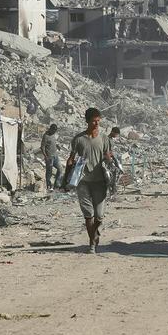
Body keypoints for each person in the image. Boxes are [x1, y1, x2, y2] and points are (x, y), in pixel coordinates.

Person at [66, 107, 113, 253]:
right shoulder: (79, 139)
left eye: (98, 121)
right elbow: (70, 159)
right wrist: (66, 179)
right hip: (83, 182)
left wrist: (109, 160)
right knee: (88, 215)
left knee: (99, 216)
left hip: (100, 182)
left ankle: (95, 233)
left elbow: (109, 156)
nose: (97, 123)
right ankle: (92, 243)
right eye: (94, 121)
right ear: (87, 121)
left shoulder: (104, 139)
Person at [40, 124, 61, 192]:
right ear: (50, 129)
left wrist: (57, 146)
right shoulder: (46, 136)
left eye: (55, 131)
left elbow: (53, 142)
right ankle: (49, 185)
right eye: (53, 130)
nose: (54, 132)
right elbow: (42, 147)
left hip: (55, 156)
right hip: (49, 157)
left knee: (60, 169)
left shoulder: (53, 135)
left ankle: (56, 184)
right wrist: (46, 157)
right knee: (49, 172)